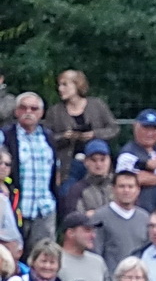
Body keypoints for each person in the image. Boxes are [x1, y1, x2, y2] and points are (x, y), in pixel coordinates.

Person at [3, 91, 58, 251]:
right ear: (16, 111)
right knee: (12, 255)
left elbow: (55, 172)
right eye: (23, 107)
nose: (28, 112)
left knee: (43, 255)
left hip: (44, 209)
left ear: (41, 113)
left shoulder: (48, 137)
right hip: (16, 207)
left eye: (34, 108)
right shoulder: (6, 136)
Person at [43, 69, 120, 182]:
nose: (60, 89)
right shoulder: (55, 111)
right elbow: (46, 138)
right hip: (68, 167)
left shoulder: (97, 105)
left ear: (77, 85)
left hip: (96, 163)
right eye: (59, 85)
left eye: (65, 84)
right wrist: (64, 136)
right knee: (67, 190)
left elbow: (114, 129)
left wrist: (94, 134)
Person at [90, 170, 151, 271]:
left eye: (130, 187)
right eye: (122, 186)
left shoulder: (145, 218)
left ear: (138, 190)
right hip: (111, 277)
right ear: (113, 189)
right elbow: (95, 253)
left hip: (138, 277)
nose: (126, 190)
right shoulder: (100, 216)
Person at [58, 139, 113, 217]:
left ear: (109, 160)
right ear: (86, 162)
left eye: (102, 160)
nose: (98, 164)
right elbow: (72, 219)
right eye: (94, 160)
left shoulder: (118, 186)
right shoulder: (76, 190)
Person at [56, 212, 107, 281]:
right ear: (70, 233)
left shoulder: (98, 262)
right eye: (87, 230)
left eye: (93, 231)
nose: (93, 236)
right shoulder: (54, 260)